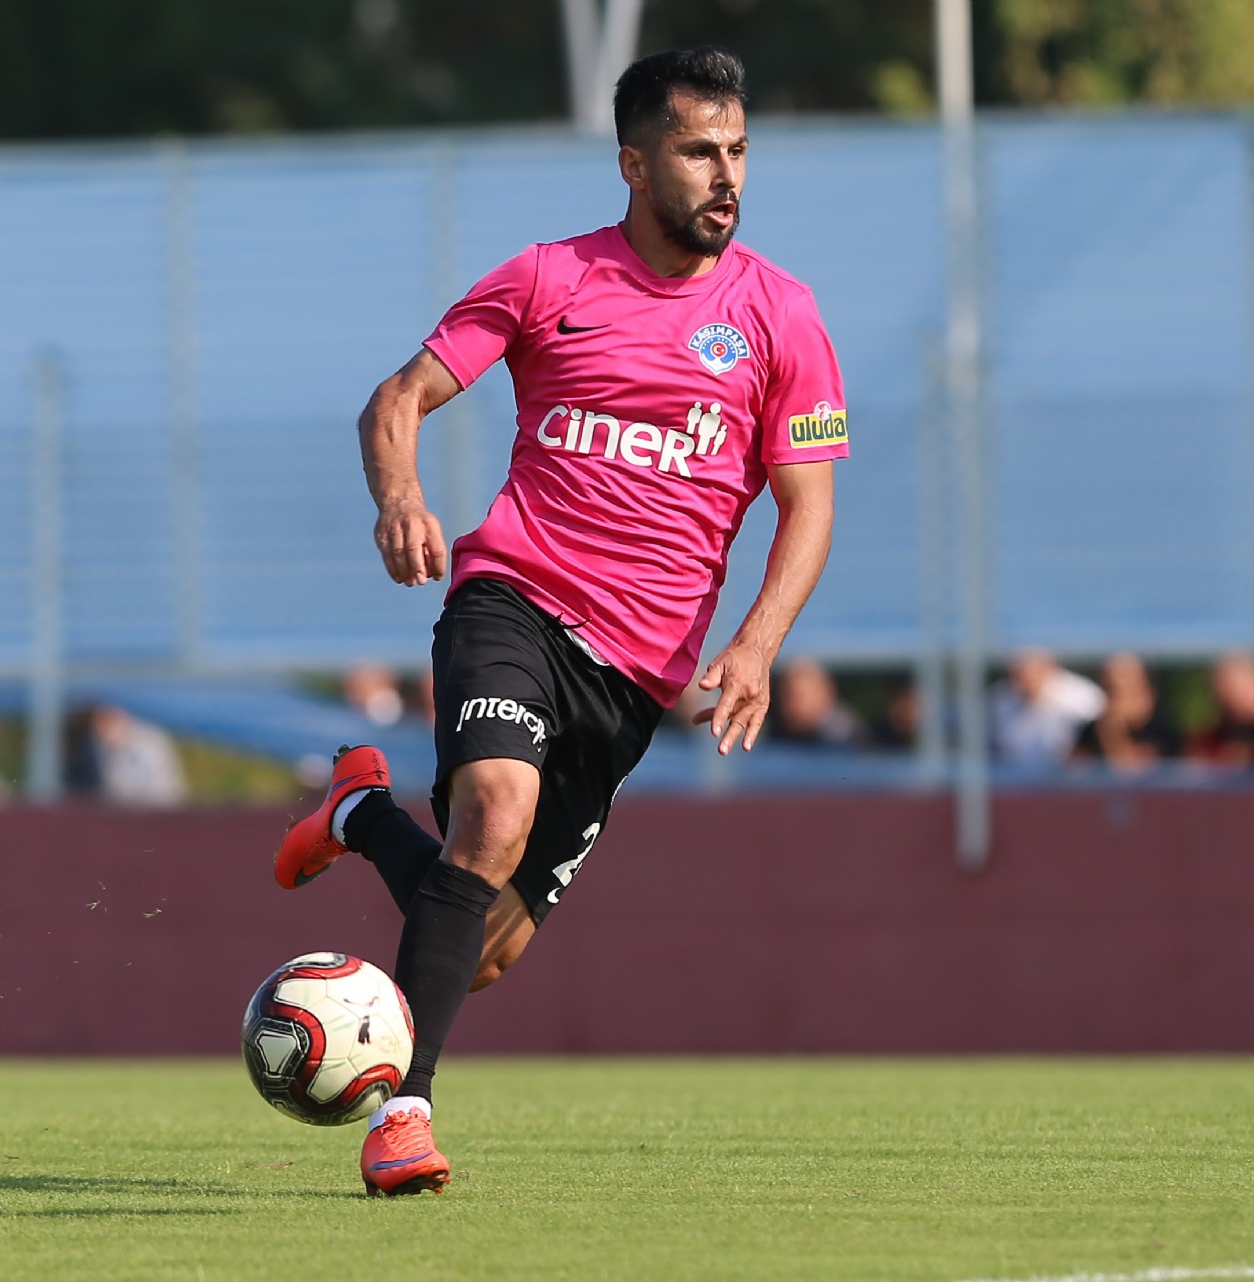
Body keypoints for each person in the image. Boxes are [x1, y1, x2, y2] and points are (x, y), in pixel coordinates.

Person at [267, 48, 846, 1195]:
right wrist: (401, 498)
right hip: (516, 602)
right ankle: (405, 1115)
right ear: (634, 163)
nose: (725, 175)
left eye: (737, 151)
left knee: (480, 948)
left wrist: (757, 642)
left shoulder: (780, 312)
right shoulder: (549, 279)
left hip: (634, 680)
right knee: (494, 809)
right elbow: (398, 398)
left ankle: (364, 811)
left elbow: (809, 503)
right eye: (698, 151)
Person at [988, 649, 1104, 769]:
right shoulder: (997, 700)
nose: (1026, 680)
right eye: (1018, 674)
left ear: (1049, 668)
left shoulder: (1085, 696)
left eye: (1033, 671)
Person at [1069, 652, 1177, 772]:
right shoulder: (1092, 730)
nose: (1115, 698)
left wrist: (1111, 727)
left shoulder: (1163, 732)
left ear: (1147, 690)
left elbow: (1130, 770)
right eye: (1108, 688)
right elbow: (1072, 771)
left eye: (1125, 685)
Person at [769, 658, 865, 746]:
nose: (787, 706)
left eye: (794, 696)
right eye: (782, 696)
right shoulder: (775, 732)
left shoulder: (844, 738)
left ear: (824, 693)